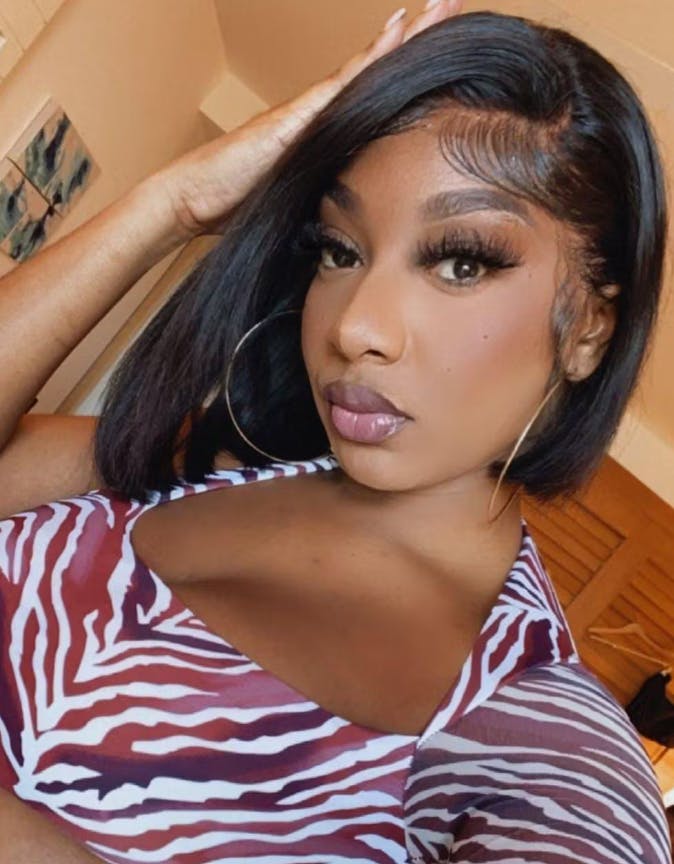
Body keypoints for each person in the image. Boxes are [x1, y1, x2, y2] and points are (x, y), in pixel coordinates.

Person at [0, 1, 670, 862]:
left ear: (587, 331)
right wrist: (177, 202)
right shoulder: (204, 461)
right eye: (339, 250)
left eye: (461, 261)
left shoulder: (541, 742)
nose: (356, 326)